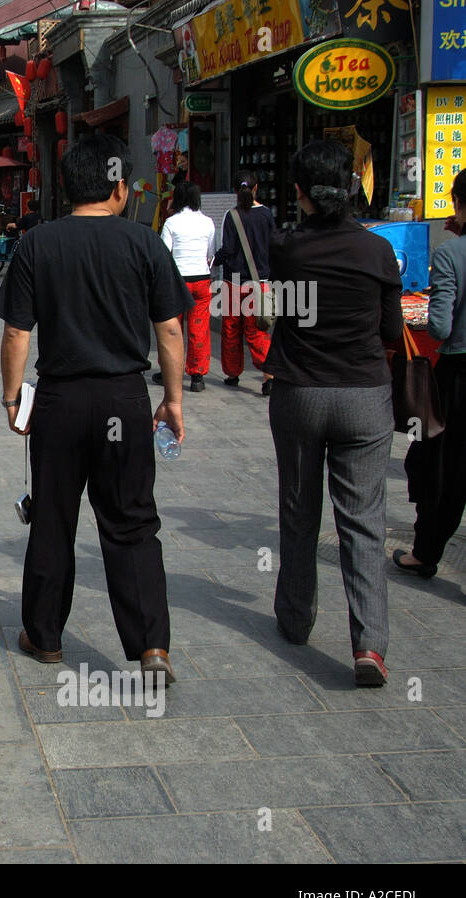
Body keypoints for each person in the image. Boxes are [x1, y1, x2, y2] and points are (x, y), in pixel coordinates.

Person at [0, 132, 192, 686]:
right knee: (131, 522)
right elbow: (170, 330)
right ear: (119, 187)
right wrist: (172, 400)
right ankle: (151, 645)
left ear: (69, 186)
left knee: (53, 519)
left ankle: (45, 636)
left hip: (59, 401)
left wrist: (12, 399)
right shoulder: (145, 245)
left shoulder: (38, 243)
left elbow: (16, 333)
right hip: (124, 400)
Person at [266, 139, 403, 687]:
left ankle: (297, 619)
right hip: (366, 397)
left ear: (300, 192)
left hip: (301, 394)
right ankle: (369, 645)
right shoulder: (378, 253)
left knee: (300, 511)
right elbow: (392, 333)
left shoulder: (289, 248)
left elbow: (284, 306)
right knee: (364, 522)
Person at [393, 168, 466, 581]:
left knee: (442, 468)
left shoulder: (450, 254)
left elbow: (438, 327)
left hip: (457, 375)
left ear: (457, 202)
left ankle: (425, 552)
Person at [214, 170, 276, 394]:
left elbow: (228, 249)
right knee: (258, 330)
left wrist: (213, 261)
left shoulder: (232, 215)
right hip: (260, 282)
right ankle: (269, 375)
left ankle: (232, 373)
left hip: (234, 281)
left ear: (234, 190)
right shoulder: (267, 214)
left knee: (231, 329)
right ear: (256, 187)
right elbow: (273, 246)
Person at [157, 181, 217, 392]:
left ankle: (169, 371)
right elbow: (211, 253)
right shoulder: (208, 222)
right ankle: (197, 376)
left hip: (177, 279)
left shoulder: (171, 223)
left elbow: (165, 254)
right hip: (201, 278)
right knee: (199, 327)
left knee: (173, 330)